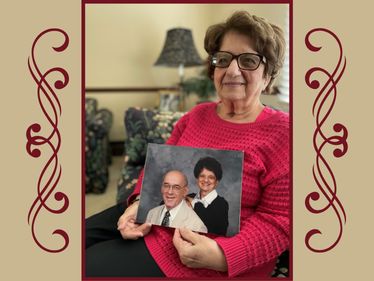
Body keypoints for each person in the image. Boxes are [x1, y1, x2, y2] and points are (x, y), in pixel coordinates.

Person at [85, 10, 289, 278]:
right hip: (156, 213)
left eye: (249, 60)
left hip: (200, 251)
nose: (232, 70)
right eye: (223, 59)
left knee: (89, 266)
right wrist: (138, 204)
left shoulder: (284, 133)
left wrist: (222, 256)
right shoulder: (196, 116)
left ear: (268, 75)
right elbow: (156, 170)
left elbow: (281, 222)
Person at [189, 157, 229, 236]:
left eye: (211, 177)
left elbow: (217, 233)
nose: (206, 180)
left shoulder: (222, 204)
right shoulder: (189, 196)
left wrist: (194, 203)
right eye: (202, 176)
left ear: (217, 181)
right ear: (197, 178)